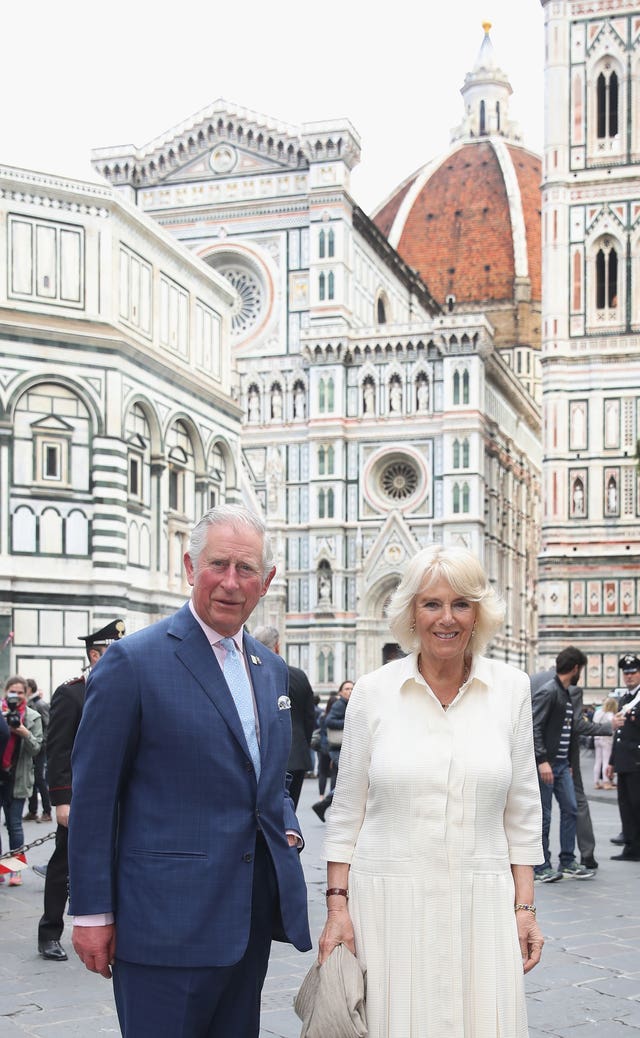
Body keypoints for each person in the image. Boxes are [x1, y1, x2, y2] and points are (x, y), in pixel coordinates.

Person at [68, 504, 311, 1038]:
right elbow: (93, 799)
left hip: (246, 919)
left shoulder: (270, 671)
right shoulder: (133, 662)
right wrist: (90, 912)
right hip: (162, 923)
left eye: (245, 569)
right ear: (189, 566)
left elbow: (263, 774)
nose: (230, 582)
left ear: (266, 581)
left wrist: (284, 822)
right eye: (217, 564)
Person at [318, 545, 543, 1038]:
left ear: (478, 613)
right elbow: (346, 812)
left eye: (461, 603)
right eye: (431, 604)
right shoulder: (373, 694)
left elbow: (523, 811)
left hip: (482, 903)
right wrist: (337, 909)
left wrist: (524, 909)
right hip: (388, 906)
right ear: (410, 613)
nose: (447, 618)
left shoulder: (511, 689)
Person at [37, 619, 125, 962]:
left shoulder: (126, 689)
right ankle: (50, 932)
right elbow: (57, 750)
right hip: (81, 797)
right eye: (111, 652)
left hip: (117, 796)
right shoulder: (72, 693)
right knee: (64, 864)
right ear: (94, 655)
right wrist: (61, 799)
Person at [532, 648, 595, 882]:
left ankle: (567, 860)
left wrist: (566, 761)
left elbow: (566, 730)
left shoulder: (565, 692)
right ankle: (541, 865)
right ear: (576, 668)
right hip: (547, 766)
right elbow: (535, 726)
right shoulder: (549, 692)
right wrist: (542, 761)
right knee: (545, 815)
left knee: (570, 809)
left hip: (561, 765)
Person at [252, 624, 316, 809]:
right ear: (277, 646)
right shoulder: (297, 675)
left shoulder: (250, 674)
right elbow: (309, 717)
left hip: (262, 756)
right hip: (296, 755)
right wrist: (302, 744)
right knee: (289, 813)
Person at [0, 676, 43, 886]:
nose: (15, 696)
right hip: (1, 775)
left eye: (19, 692)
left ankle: (14, 871)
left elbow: (37, 748)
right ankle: (1, 868)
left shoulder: (32, 716)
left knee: (14, 825)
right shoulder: (1, 714)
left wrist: (24, 733)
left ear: (26, 694)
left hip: (19, 777)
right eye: (12, 692)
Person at [607, 653, 640, 862]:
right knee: (626, 807)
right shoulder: (626, 699)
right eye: (626, 673)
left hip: (637, 760)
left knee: (637, 806)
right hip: (624, 762)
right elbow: (619, 734)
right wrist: (611, 761)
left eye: (633, 672)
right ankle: (631, 846)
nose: (629, 676)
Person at [312, 680, 353, 822]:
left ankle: (324, 806)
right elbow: (329, 721)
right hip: (338, 748)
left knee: (348, 780)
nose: (350, 691)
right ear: (341, 692)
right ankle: (324, 805)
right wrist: (349, 721)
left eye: (352, 688)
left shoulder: (350, 704)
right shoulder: (339, 704)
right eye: (347, 689)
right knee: (349, 780)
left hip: (347, 748)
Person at [24, 678, 51, 823]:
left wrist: (41, 743)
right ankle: (32, 810)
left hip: (39, 747)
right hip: (31, 746)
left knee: (39, 779)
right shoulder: (32, 703)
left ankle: (47, 811)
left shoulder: (39, 704)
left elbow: (48, 725)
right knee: (33, 778)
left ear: (30, 689)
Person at [593, 696, 617, 790]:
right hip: (607, 739)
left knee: (598, 761)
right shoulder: (610, 714)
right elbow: (613, 725)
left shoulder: (598, 712)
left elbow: (594, 723)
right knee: (606, 761)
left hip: (597, 738)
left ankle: (596, 782)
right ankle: (606, 782)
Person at [316, 693, 338, 796]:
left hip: (323, 747)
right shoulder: (336, 718)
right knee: (334, 773)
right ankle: (331, 796)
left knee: (323, 772)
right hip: (334, 746)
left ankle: (321, 796)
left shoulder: (323, 717)